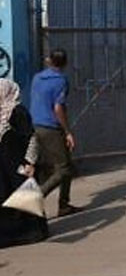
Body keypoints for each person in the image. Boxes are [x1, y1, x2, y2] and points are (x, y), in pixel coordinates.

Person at [30, 48, 81, 217]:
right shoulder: (61, 81)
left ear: (49, 61)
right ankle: (36, 196)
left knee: (66, 162)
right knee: (64, 169)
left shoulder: (37, 78)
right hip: (51, 127)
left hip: (36, 125)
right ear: (65, 63)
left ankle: (64, 205)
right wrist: (67, 131)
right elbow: (58, 107)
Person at [0, 78, 48, 248]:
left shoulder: (18, 112)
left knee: (24, 194)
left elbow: (32, 138)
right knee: (4, 195)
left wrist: (30, 161)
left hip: (19, 163)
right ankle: (7, 236)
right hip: (3, 164)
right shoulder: (1, 113)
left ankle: (33, 232)